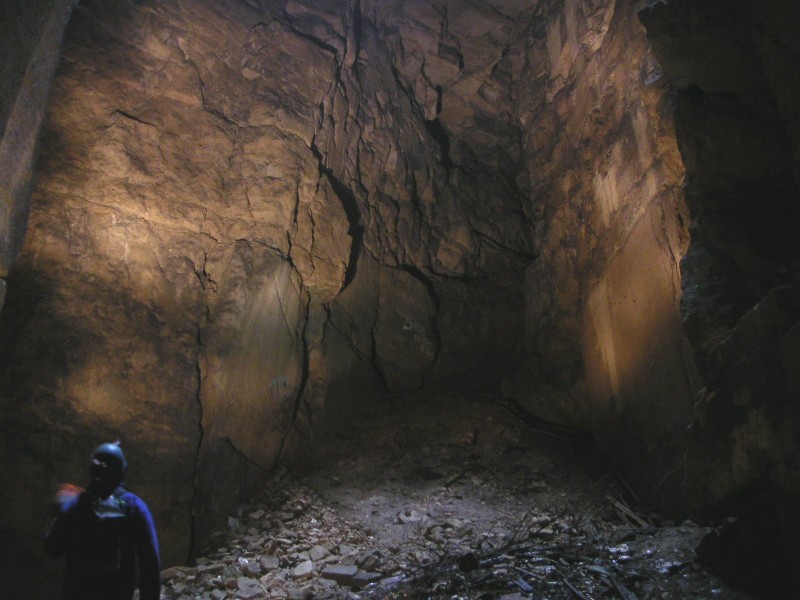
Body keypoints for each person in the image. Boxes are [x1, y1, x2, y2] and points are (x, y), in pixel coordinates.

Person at [44, 441, 161, 600]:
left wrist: (59, 513)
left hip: (77, 592)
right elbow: (150, 562)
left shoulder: (74, 505)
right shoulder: (134, 507)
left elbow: (53, 548)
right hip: (117, 593)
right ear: (122, 470)